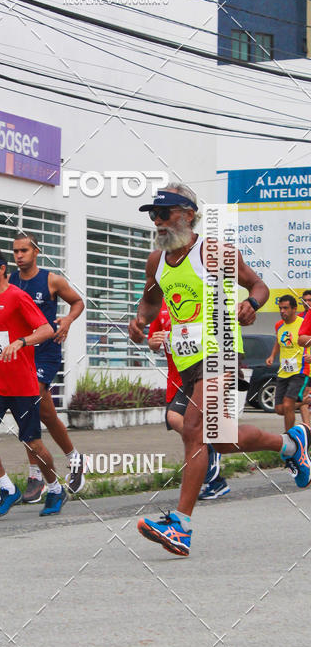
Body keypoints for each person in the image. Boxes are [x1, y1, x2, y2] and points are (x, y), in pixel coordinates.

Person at [128, 184, 311, 557]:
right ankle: (292, 444)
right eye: (154, 216)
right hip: (187, 362)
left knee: (194, 430)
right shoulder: (156, 261)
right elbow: (150, 300)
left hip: (222, 354)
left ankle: (181, 525)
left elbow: (258, 284)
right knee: (221, 441)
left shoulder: (213, 252)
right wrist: (138, 321)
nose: (159, 222)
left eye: (166, 214)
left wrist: (252, 304)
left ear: (189, 214)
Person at [0, 247, 67, 517]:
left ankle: (56, 489)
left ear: (2, 270)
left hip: (23, 384)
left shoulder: (18, 297)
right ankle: (7, 488)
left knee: (33, 443)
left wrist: (23, 342)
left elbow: (47, 329)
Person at [9, 231, 86, 502]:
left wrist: (67, 321)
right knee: (45, 414)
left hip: (47, 353)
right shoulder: (11, 281)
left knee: (31, 400)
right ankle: (69, 459)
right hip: (23, 352)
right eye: (16, 251)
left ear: (36, 252)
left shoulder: (52, 280)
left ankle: (39, 474)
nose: (19, 256)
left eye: (24, 251)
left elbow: (78, 302)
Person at [148, 299, 228, 499]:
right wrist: (155, 342)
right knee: (188, 434)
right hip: (175, 377)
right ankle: (216, 481)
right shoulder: (160, 308)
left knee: (174, 417)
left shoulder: (193, 299)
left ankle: (210, 446)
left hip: (195, 372)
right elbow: (152, 341)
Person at [265, 295, 310, 429]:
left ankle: (289, 437)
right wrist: (272, 356)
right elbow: (278, 342)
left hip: (301, 369)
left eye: (285, 308)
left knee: (288, 403)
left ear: (294, 309)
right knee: (279, 409)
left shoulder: (304, 323)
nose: (282, 311)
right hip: (283, 371)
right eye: (280, 308)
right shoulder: (279, 325)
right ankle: (304, 402)